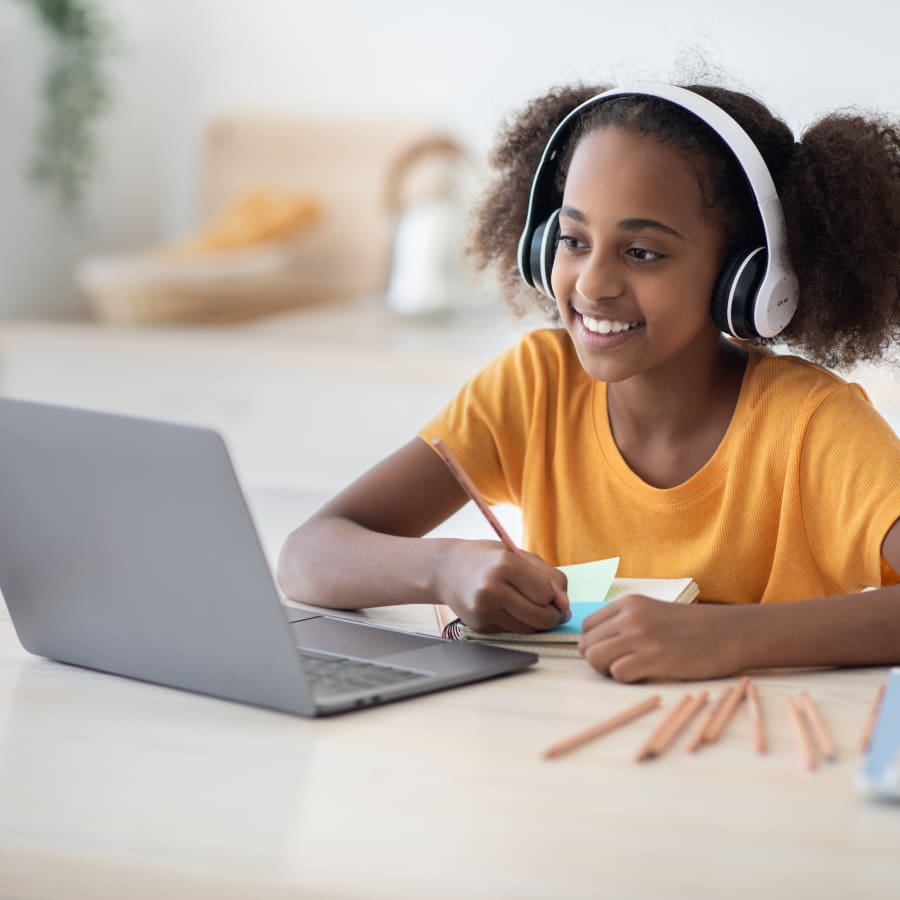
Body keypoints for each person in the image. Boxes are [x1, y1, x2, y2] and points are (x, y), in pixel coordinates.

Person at [277, 79, 900, 683]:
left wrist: (727, 638)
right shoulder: (535, 386)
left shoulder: (814, 426)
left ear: (745, 278)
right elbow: (308, 557)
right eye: (574, 240)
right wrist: (442, 566)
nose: (592, 283)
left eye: (642, 252)